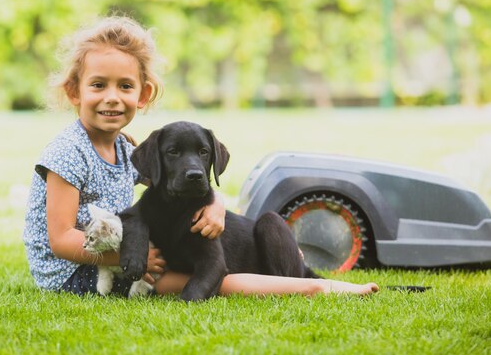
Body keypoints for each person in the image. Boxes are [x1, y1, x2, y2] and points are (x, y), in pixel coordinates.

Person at [22, 16, 379, 297]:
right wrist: (130, 256)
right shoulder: (67, 152)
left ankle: (302, 282)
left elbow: (174, 185)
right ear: (74, 91)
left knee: (202, 269)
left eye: (125, 86)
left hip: (122, 260)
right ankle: (312, 288)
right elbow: (61, 239)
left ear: (143, 95)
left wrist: (216, 203)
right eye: (98, 85)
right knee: (210, 282)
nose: (112, 97)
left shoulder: (124, 148)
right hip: (76, 273)